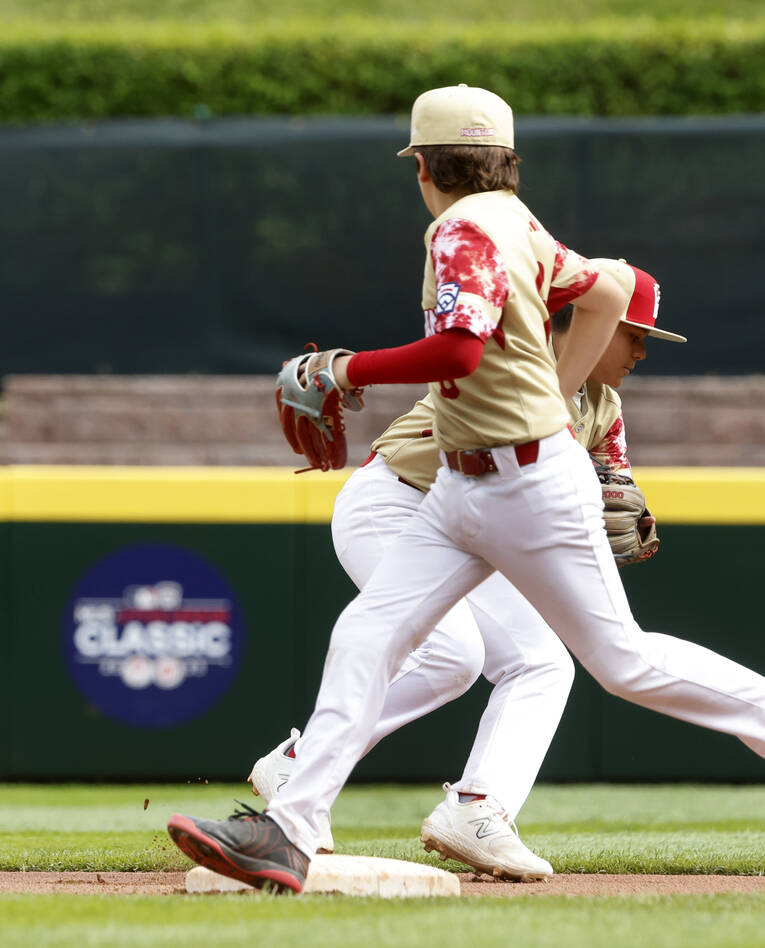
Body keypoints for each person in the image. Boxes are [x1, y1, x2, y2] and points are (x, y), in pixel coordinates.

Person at [168, 84, 765, 894]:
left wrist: (343, 367)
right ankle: (290, 830)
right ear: (505, 163)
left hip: (526, 485)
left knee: (618, 661)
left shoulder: (461, 228)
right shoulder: (518, 222)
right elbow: (604, 286)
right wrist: (559, 391)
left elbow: (459, 351)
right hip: (461, 490)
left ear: (422, 166)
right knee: (369, 634)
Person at [248, 262, 682, 881]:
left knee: (543, 662)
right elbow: (448, 357)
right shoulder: (513, 361)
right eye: (631, 331)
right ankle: (306, 761)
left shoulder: (603, 408)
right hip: (394, 505)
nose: (641, 349)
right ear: (580, 322)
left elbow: (617, 485)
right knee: (451, 654)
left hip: (469, 536)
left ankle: (478, 808)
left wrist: (618, 501)